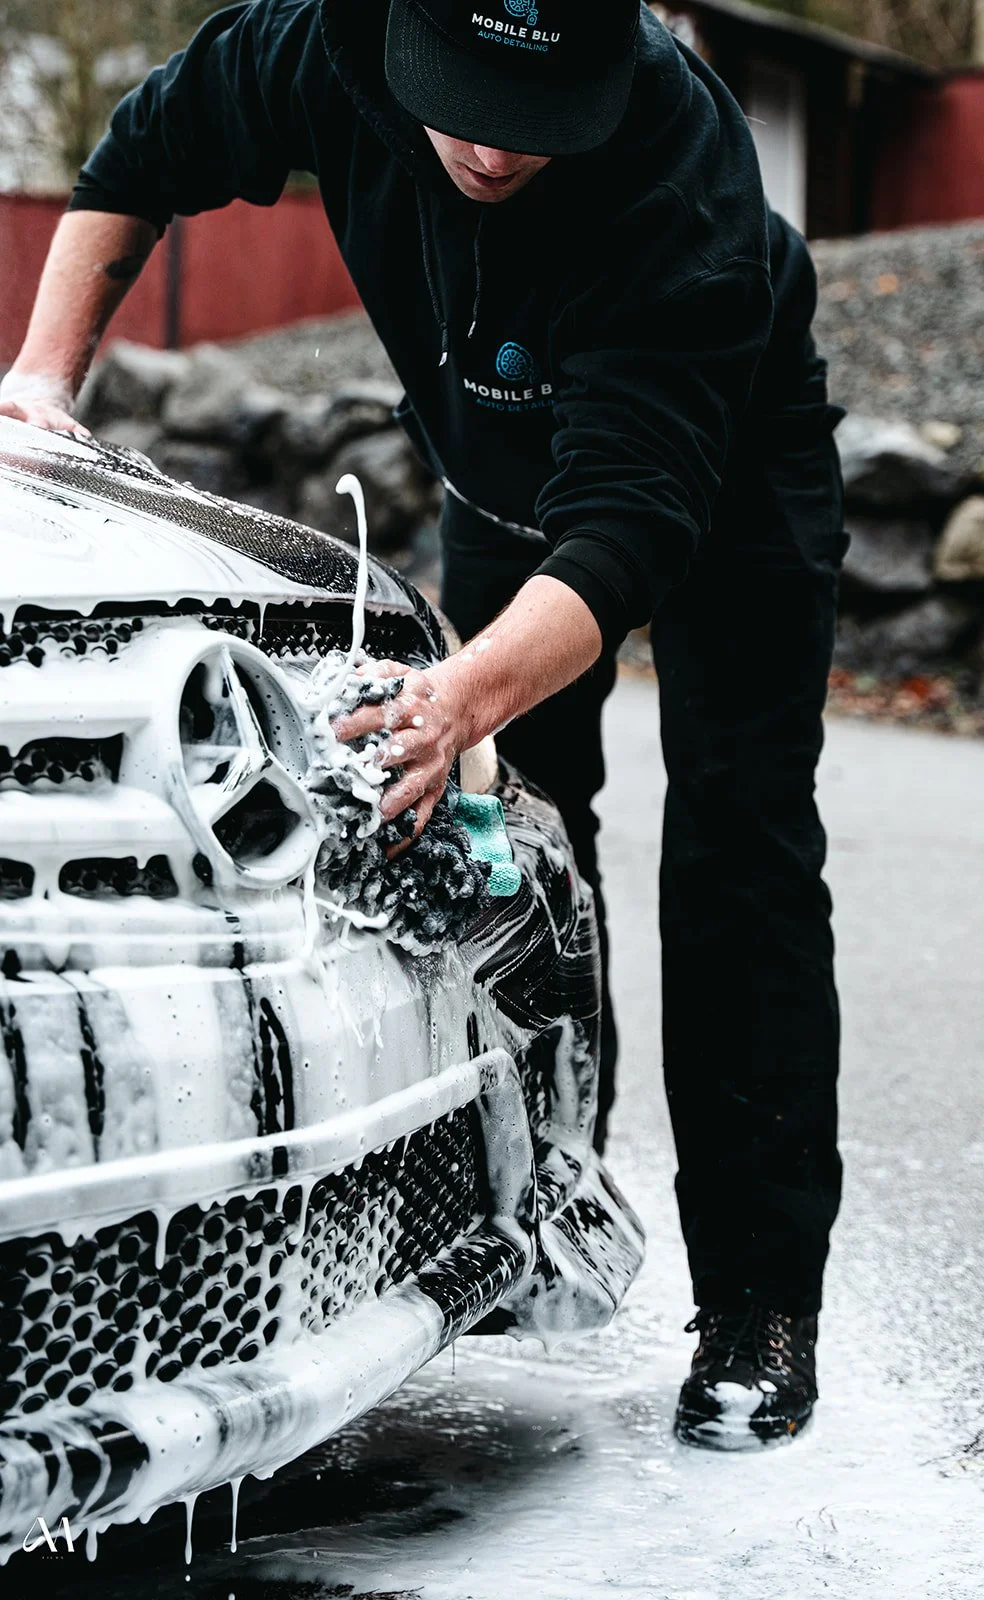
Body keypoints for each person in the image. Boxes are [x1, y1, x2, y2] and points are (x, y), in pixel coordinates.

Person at [0, 0, 846, 1450]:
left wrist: (458, 699)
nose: (491, 145)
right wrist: (38, 379)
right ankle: (547, 1188)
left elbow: (631, 529)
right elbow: (141, 154)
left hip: (721, 487)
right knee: (514, 842)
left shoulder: (682, 168)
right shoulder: (319, 41)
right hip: (497, 472)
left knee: (736, 846)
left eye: (537, 113)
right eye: (462, 98)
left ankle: (762, 1302)